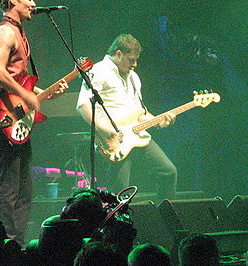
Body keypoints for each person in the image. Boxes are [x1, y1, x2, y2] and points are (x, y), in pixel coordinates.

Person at [0, 0, 68, 246]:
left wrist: (44, 91)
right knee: (9, 187)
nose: (33, 4)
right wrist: (30, 96)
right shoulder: (6, 32)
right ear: (12, 1)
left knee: (23, 188)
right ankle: (5, 245)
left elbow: (18, 80)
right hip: (2, 115)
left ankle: (17, 243)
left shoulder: (20, 33)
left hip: (16, 115)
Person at [76, 34, 177, 202]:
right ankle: (117, 226)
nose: (135, 64)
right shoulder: (99, 71)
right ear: (118, 53)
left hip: (137, 137)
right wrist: (103, 129)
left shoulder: (134, 77)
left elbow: (139, 113)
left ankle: (166, 220)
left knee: (168, 171)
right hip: (113, 142)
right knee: (120, 190)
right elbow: (82, 105)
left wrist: (159, 121)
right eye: (131, 60)